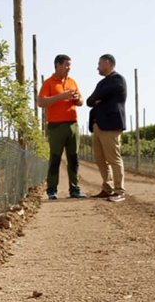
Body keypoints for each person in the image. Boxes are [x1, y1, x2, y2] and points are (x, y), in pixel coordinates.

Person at [37, 54, 86, 200]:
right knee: (55, 158)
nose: (69, 68)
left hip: (72, 124)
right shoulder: (48, 83)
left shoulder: (72, 82)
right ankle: (51, 190)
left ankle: (75, 189)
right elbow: (41, 102)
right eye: (66, 65)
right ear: (57, 65)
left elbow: (81, 101)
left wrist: (77, 100)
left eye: (69, 65)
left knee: (74, 158)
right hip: (56, 126)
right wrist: (61, 97)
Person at [86, 53, 128, 202]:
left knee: (113, 158)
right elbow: (90, 100)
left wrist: (99, 98)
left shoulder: (117, 80)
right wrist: (97, 99)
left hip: (110, 124)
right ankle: (107, 188)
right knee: (99, 159)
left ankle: (119, 191)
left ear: (107, 63)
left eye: (99, 64)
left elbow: (100, 95)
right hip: (98, 125)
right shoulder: (102, 83)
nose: (97, 67)